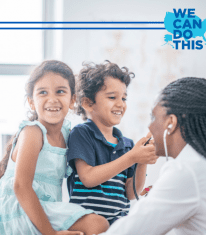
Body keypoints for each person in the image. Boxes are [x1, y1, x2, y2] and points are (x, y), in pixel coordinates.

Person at [100, 77, 206, 235]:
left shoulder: (187, 170)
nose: (150, 126)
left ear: (171, 123)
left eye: (153, 117)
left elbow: (129, 231)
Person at [0, 60, 109, 235]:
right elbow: (21, 186)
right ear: (31, 102)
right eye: (42, 92)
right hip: (18, 210)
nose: (52, 99)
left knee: (98, 224)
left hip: (46, 209)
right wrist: (50, 234)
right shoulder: (33, 132)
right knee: (96, 224)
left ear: (72, 100)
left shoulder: (68, 135)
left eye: (60, 91)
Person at [67, 61, 158, 225]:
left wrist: (141, 161)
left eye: (124, 98)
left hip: (118, 224)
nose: (120, 104)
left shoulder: (128, 145)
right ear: (88, 103)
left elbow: (131, 193)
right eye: (112, 97)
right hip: (88, 222)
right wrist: (132, 157)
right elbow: (88, 178)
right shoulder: (82, 133)